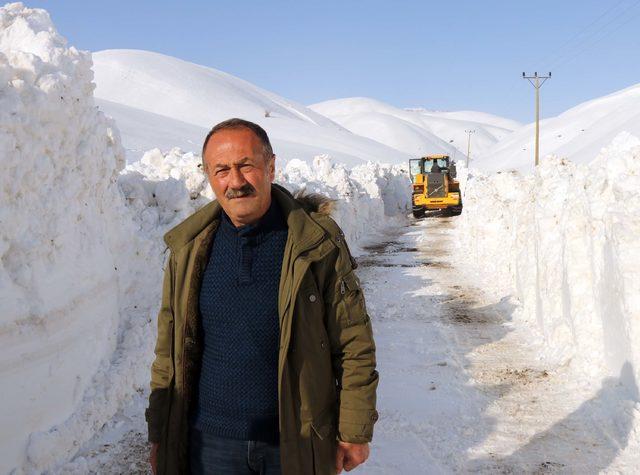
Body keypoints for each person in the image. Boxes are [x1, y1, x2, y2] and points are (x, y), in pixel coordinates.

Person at [145, 118, 379, 475]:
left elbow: (353, 340)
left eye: (246, 166)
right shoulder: (189, 250)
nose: (235, 182)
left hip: (294, 440)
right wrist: (161, 430)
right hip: (210, 445)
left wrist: (354, 428)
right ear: (208, 176)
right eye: (221, 170)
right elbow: (169, 349)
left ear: (271, 166)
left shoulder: (315, 243)